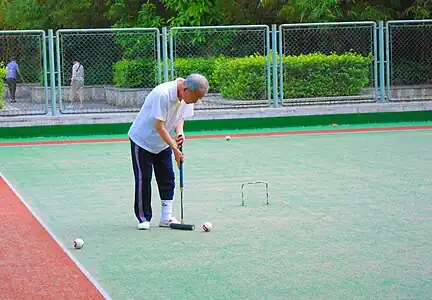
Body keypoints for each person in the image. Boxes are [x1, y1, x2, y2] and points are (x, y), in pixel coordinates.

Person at [128, 73, 209, 230]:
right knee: (143, 178)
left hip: (163, 142)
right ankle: (144, 218)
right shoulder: (163, 94)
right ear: (185, 89)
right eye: (196, 98)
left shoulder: (187, 95)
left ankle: (166, 217)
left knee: (167, 177)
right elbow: (159, 126)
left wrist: (180, 132)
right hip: (143, 140)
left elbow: (180, 117)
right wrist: (175, 150)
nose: (196, 101)